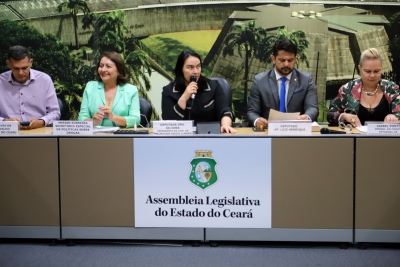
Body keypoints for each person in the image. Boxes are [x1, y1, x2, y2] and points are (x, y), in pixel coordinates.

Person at [247, 39, 318, 129]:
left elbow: (312, 108)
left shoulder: (306, 80)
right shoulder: (260, 81)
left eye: (290, 60)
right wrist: (257, 120)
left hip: (297, 132)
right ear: (273, 59)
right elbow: (252, 112)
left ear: (296, 59)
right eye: (282, 60)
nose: (286, 64)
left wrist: (307, 117)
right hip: (268, 133)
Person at [162, 50, 236, 133]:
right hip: (182, 138)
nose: (196, 72)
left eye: (198, 66)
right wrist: (184, 98)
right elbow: (167, 124)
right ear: (181, 69)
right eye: (190, 67)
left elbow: (225, 110)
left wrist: (225, 124)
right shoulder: (169, 91)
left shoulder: (214, 86)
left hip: (210, 135)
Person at [328, 48, 400, 126]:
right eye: (368, 71)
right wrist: (343, 116)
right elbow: (330, 115)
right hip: (354, 137)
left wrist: (394, 117)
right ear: (360, 69)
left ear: (381, 69)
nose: (372, 75)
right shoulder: (347, 89)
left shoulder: (392, 89)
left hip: (387, 137)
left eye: (376, 71)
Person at [0, 45, 60, 129]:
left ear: (31, 62)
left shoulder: (44, 80)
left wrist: (42, 122)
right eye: (16, 68)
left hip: (38, 131)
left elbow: (55, 112)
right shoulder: (1, 81)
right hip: (8, 132)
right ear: (8, 64)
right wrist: (4, 121)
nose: (21, 73)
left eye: (24, 68)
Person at [78, 51, 140, 128]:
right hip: (96, 138)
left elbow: (136, 120)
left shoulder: (131, 90)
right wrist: (92, 121)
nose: (103, 70)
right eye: (101, 66)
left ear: (119, 71)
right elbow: (81, 119)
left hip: (121, 138)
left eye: (108, 66)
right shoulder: (90, 87)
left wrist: (113, 117)